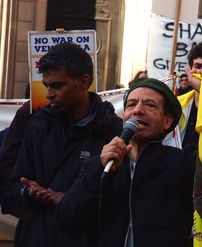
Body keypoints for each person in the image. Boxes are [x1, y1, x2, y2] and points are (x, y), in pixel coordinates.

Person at [57, 78, 195, 247]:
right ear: (123, 117)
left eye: (150, 105)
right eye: (131, 104)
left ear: (167, 121)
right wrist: (99, 171)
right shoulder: (99, 163)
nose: (137, 110)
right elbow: (67, 222)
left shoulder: (183, 164)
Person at [10, 42, 123, 247]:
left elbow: (116, 198)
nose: (48, 94)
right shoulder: (37, 124)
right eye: (47, 86)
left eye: (57, 85)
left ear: (84, 81)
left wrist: (70, 200)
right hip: (36, 237)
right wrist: (28, 191)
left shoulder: (112, 130)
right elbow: (15, 181)